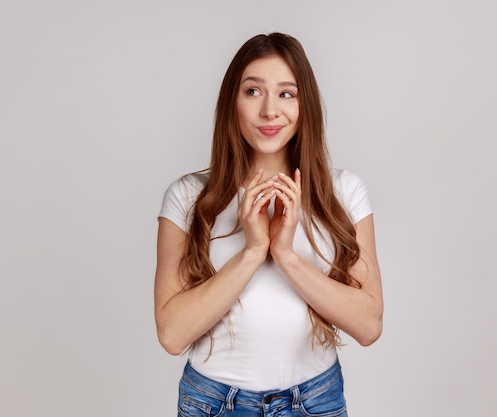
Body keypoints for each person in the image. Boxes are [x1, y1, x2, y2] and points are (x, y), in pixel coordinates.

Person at [155, 32, 383, 417]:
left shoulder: (344, 192)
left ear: (304, 104)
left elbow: (368, 325)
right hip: (214, 403)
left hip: (315, 400)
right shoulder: (189, 196)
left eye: (287, 93)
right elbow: (172, 334)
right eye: (253, 91)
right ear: (233, 102)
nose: (269, 111)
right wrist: (253, 252)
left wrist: (285, 255)